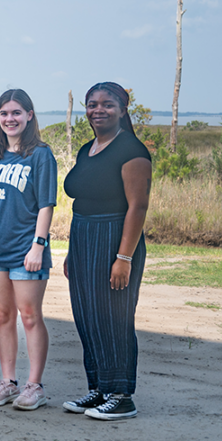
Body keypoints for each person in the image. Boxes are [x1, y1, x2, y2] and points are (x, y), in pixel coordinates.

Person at [63, 81, 152, 420]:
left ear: (123, 109)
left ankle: (121, 394)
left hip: (115, 237)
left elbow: (138, 207)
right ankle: (99, 388)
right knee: (87, 316)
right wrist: (74, 252)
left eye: (107, 104)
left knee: (114, 317)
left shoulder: (132, 150)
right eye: (92, 104)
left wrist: (124, 257)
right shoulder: (88, 149)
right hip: (83, 236)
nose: (98, 110)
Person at [0, 89, 57, 411]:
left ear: (29, 116)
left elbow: (47, 204)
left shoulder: (40, 154)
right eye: (4, 114)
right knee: (2, 315)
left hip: (27, 249)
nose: (10, 119)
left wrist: (39, 244)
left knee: (30, 316)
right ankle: (8, 382)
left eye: (16, 113)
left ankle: (34, 386)